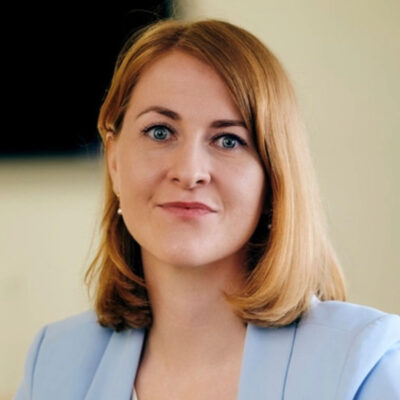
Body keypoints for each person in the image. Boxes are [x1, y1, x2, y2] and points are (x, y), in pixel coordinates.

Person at [15, 19, 399, 400]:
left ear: (275, 176)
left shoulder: (361, 363)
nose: (189, 172)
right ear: (114, 162)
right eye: (160, 132)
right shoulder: (53, 363)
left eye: (228, 140)